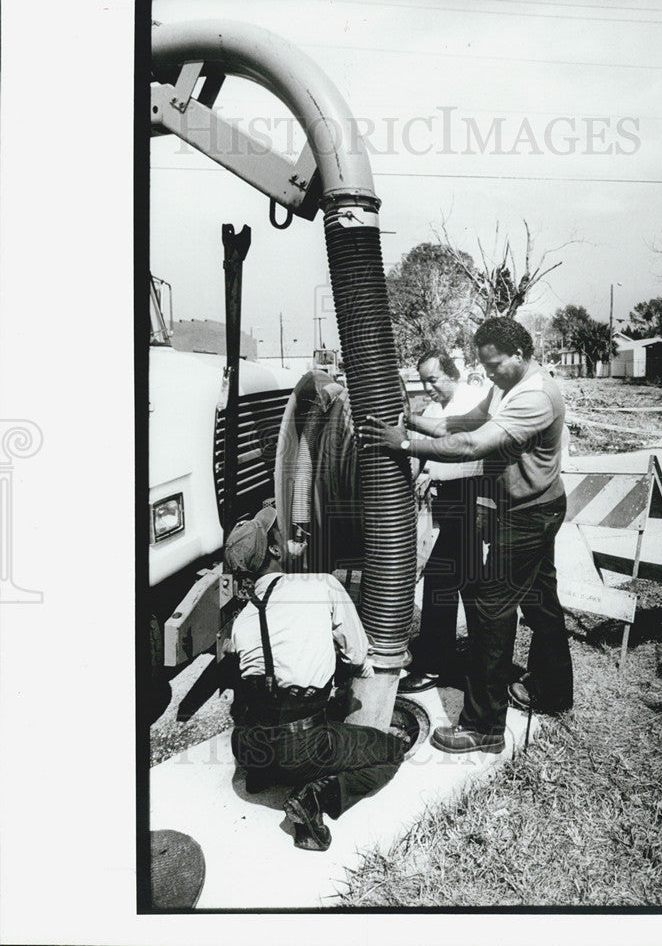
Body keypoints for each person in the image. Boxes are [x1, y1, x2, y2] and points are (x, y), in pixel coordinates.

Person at [359, 317, 571, 755]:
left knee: (490, 609)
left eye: (494, 365)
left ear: (520, 353)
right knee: (539, 600)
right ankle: (554, 691)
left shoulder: (535, 395)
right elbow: (461, 425)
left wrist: (401, 445)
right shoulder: (507, 387)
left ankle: (484, 727)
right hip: (535, 506)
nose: (488, 373)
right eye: (484, 366)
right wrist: (414, 424)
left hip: (527, 515)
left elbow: (473, 446)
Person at [223, 506, 406, 851]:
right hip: (301, 748)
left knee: (274, 708)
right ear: (275, 551)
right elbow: (356, 653)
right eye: (277, 534)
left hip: (249, 746)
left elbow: (247, 685)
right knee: (391, 752)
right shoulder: (320, 585)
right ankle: (315, 800)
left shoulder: (242, 621)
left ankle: (262, 776)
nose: (283, 534)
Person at [399, 349, 485, 694]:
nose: (428, 387)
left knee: (450, 582)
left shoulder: (474, 401)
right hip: (444, 499)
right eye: (422, 381)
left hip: (473, 497)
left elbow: (465, 449)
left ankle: (438, 663)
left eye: (433, 379)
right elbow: (420, 452)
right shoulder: (433, 411)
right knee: (451, 582)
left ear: (453, 373)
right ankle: (457, 657)